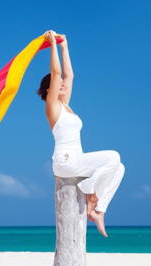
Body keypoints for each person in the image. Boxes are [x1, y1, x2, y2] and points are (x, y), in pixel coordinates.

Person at [37, 30, 125, 238]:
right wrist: (51, 46)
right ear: (51, 89)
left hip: (76, 160)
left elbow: (69, 75)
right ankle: (90, 192)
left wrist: (64, 45)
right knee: (113, 156)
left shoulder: (65, 106)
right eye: (59, 85)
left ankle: (98, 211)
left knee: (119, 168)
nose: (64, 85)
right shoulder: (52, 108)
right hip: (65, 162)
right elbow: (57, 73)